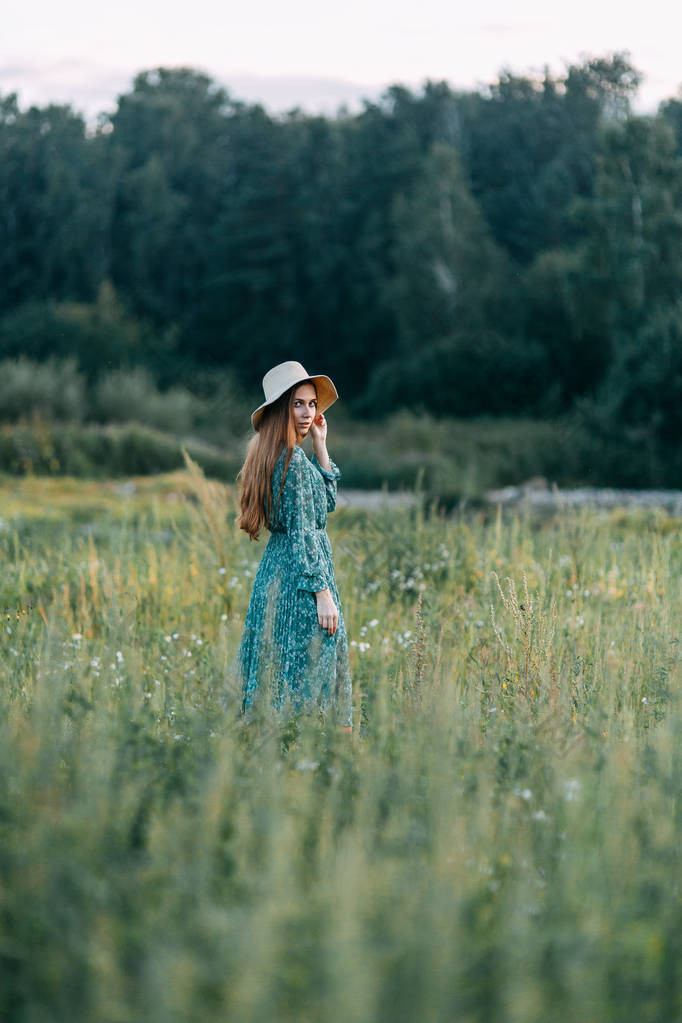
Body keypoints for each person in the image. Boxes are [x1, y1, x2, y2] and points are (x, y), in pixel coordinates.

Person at [235, 361, 353, 735]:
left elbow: (325, 504)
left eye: (312, 404)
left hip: (277, 573)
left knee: (278, 661)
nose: (308, 413)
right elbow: (306, 530)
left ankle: (268, 745)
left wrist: (321, 445)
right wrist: (323, 593)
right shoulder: (293, 463)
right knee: (320, 661)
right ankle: (323, 750)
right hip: (304, 578)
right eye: (298, 404)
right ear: (282, 408)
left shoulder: (272, 455)